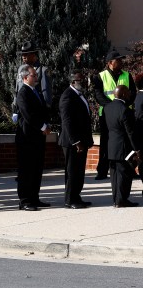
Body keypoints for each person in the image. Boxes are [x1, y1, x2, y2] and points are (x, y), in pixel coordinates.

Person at [92, 50, 136, 180]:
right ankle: (102, 171)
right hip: (107, 115)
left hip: (125, 113)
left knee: (128, 142)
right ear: (110, 63)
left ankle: (130, 169)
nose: (121, 62)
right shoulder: (100, 76)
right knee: (105, 142)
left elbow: (132, 93)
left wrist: (122, 105)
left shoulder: (127, 75)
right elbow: (98, 95)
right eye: (118, 60)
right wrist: (113, 107)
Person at [15, 65, 52, 211]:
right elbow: (28, 115)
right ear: (25, 77)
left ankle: (34, 197)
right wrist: (43, 127)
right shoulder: (23, 93)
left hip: (37, 137)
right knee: (26, 169)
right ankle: (25, 200)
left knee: (37, 168)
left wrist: (47, 124)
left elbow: (43, 110)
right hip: (27, 138)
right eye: (33, 75)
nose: (36, 77)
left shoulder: (35, 91)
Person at [58, 70, 94, 209]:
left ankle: (77, 196)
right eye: (80, 80)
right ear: (73, 82)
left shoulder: (79, 94)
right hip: (72, 142)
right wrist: (76, 141)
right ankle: (69, 199)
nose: (83, 82)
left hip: (81, 140)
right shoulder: (67, 96)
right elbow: (67, 121)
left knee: (79, 171)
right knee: (72, 171)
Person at [105, 85, 141, 207]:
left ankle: (116, 199)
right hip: (123, 147)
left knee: (114, 176)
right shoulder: (125, 109)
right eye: (128, 92)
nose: (130, 94)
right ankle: (121, 200)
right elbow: (130, 132)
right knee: (124, 175)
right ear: (124, 94)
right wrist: (137, 149)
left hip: (112, 146)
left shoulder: (107, 107)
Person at [12, 41, 52, 123]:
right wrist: (15, 109)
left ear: (34, 55)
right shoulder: (21, 69)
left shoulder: (42, 71)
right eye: (22, 54)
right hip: (21, 111)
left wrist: (45, 113)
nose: (23, 56)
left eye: (26, 54)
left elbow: (46, 94)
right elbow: (17, 90)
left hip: (35, 113)